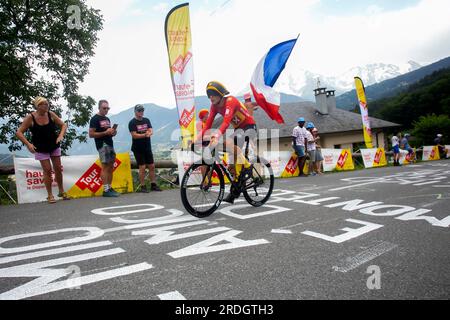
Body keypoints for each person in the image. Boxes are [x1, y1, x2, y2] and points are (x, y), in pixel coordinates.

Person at [195, 81, 257, 204]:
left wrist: (216, 135)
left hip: (249, 126)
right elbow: (207, 125)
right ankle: (235, 191)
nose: (211, 97)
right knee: (232, 164)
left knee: (228, 141)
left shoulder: (230, 101)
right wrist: (196, 140)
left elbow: (226, 122)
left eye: (213, 94)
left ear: (220, 94)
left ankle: (248, 165)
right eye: (209, 95)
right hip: (238, 129)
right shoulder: (214, 107)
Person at [16, 96, 70, 203]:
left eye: (47, 103)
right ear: (38, 106)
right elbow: (19, 132)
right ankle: (50, 195)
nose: (47, 106)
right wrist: (28, 144)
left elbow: (63, 125)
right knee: (47, 170)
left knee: (58, 168)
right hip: (40, 148)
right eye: (44, 104)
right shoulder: (30, 117)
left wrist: (61, 136)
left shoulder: (51, 114)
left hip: (54, 145)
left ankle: (61, 191)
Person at [89, 100, 120, 197]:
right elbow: (91, 134)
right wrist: (105, 133)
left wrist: (113, 132)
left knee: (111, 166)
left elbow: (108, 132)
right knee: (105, 166)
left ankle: (109, 187)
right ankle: (105, 189)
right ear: (99, 108)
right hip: (102, 145)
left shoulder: (107, 119)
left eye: (108, 108)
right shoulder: (94, 119)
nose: (106, 110)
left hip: (110, 144)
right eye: (104, 108)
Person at [129, 104, 162, 193]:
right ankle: (143, 186)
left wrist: (150, 133)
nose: (141, 112)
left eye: (142, 110)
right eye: (139, 111)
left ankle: (153, 184)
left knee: (151, 166)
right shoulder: (132, 122)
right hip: (138, 148)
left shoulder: (146, 120)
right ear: (135, 112)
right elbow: (134, 135)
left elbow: (151, 129)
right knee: (142, 167)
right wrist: (144, 134)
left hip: (147, 147)